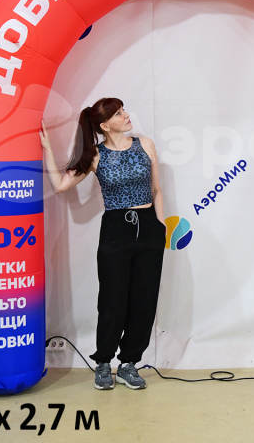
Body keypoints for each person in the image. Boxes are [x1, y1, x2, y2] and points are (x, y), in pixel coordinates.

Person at [39, 98, 166, 390]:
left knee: (144, 301)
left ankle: (129, 363)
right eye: (119, 114)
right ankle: (104, 362)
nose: (126, 115)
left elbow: (157, 190)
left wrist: (160, 228)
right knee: (112, 301)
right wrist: (48, 151)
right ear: (105, 125)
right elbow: (60, 186)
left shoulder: (145, 145)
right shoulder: (95, 155)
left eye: (123, 110)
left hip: (148, 228)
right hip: (115, 231)